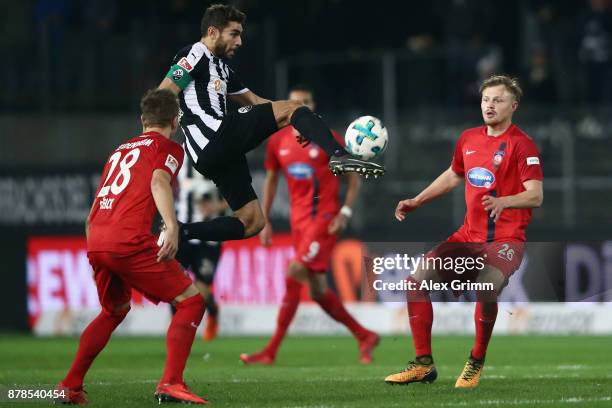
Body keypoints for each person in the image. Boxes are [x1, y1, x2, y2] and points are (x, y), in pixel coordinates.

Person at [157, 3, 384, 248]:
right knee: (293, 107)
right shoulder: (194, 54)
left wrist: (296, 119)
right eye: (234, 33)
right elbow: (164, 93)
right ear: (212, 32)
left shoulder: (222, 69)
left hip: (216, 152)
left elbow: (256, 102)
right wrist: (157, 142)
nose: (240, 41)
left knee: (253, 221)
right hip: (215, 134)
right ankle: (339, 155)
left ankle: (182, 231)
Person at [384, 75, 543, 388]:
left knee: (486, 288)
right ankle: (423, 365)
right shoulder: (469, 138)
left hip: (504, 240)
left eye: (498, 100)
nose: (490, 105)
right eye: (486, 99)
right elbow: (453, 175)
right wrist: (417, 200)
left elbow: (535, 194)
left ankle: (475, 361)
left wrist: (504, 201)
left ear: (514, 105)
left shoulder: (522, 145)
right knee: (416, 281)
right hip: (467, 237)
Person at [55, 89, 208, 405]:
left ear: (143, 120)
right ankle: (171, 383)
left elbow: (96, 206)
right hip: (128, 240)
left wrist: (97, 242)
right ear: (175, 121)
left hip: (96, 237)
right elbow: (158, 181)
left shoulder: (119, 150)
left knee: (113, 310)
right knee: (192, 303)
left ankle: (70, 385)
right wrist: (172, 226)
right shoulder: (168, 147)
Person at [239, 86, 379, 365]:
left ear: (312, 108)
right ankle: (364, 335)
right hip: (299, 224)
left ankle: (271, 351)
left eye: (306, 102)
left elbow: (353, 179)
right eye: (295, 102)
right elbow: (270, 179)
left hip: (323, 220)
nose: (300, 106)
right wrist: (263, 219)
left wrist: (345, 212)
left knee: (294, 271)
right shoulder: (278, 141)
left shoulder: (328, 140)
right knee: (317, 291)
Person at [175, 165, 225, 341]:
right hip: (183, 235)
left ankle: (213, 311)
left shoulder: (219, 156)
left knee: (202, 291)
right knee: (174, 287)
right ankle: (178, 331)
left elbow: (235, 199)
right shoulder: (180, 156)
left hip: (209, 238)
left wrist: (216, 206)